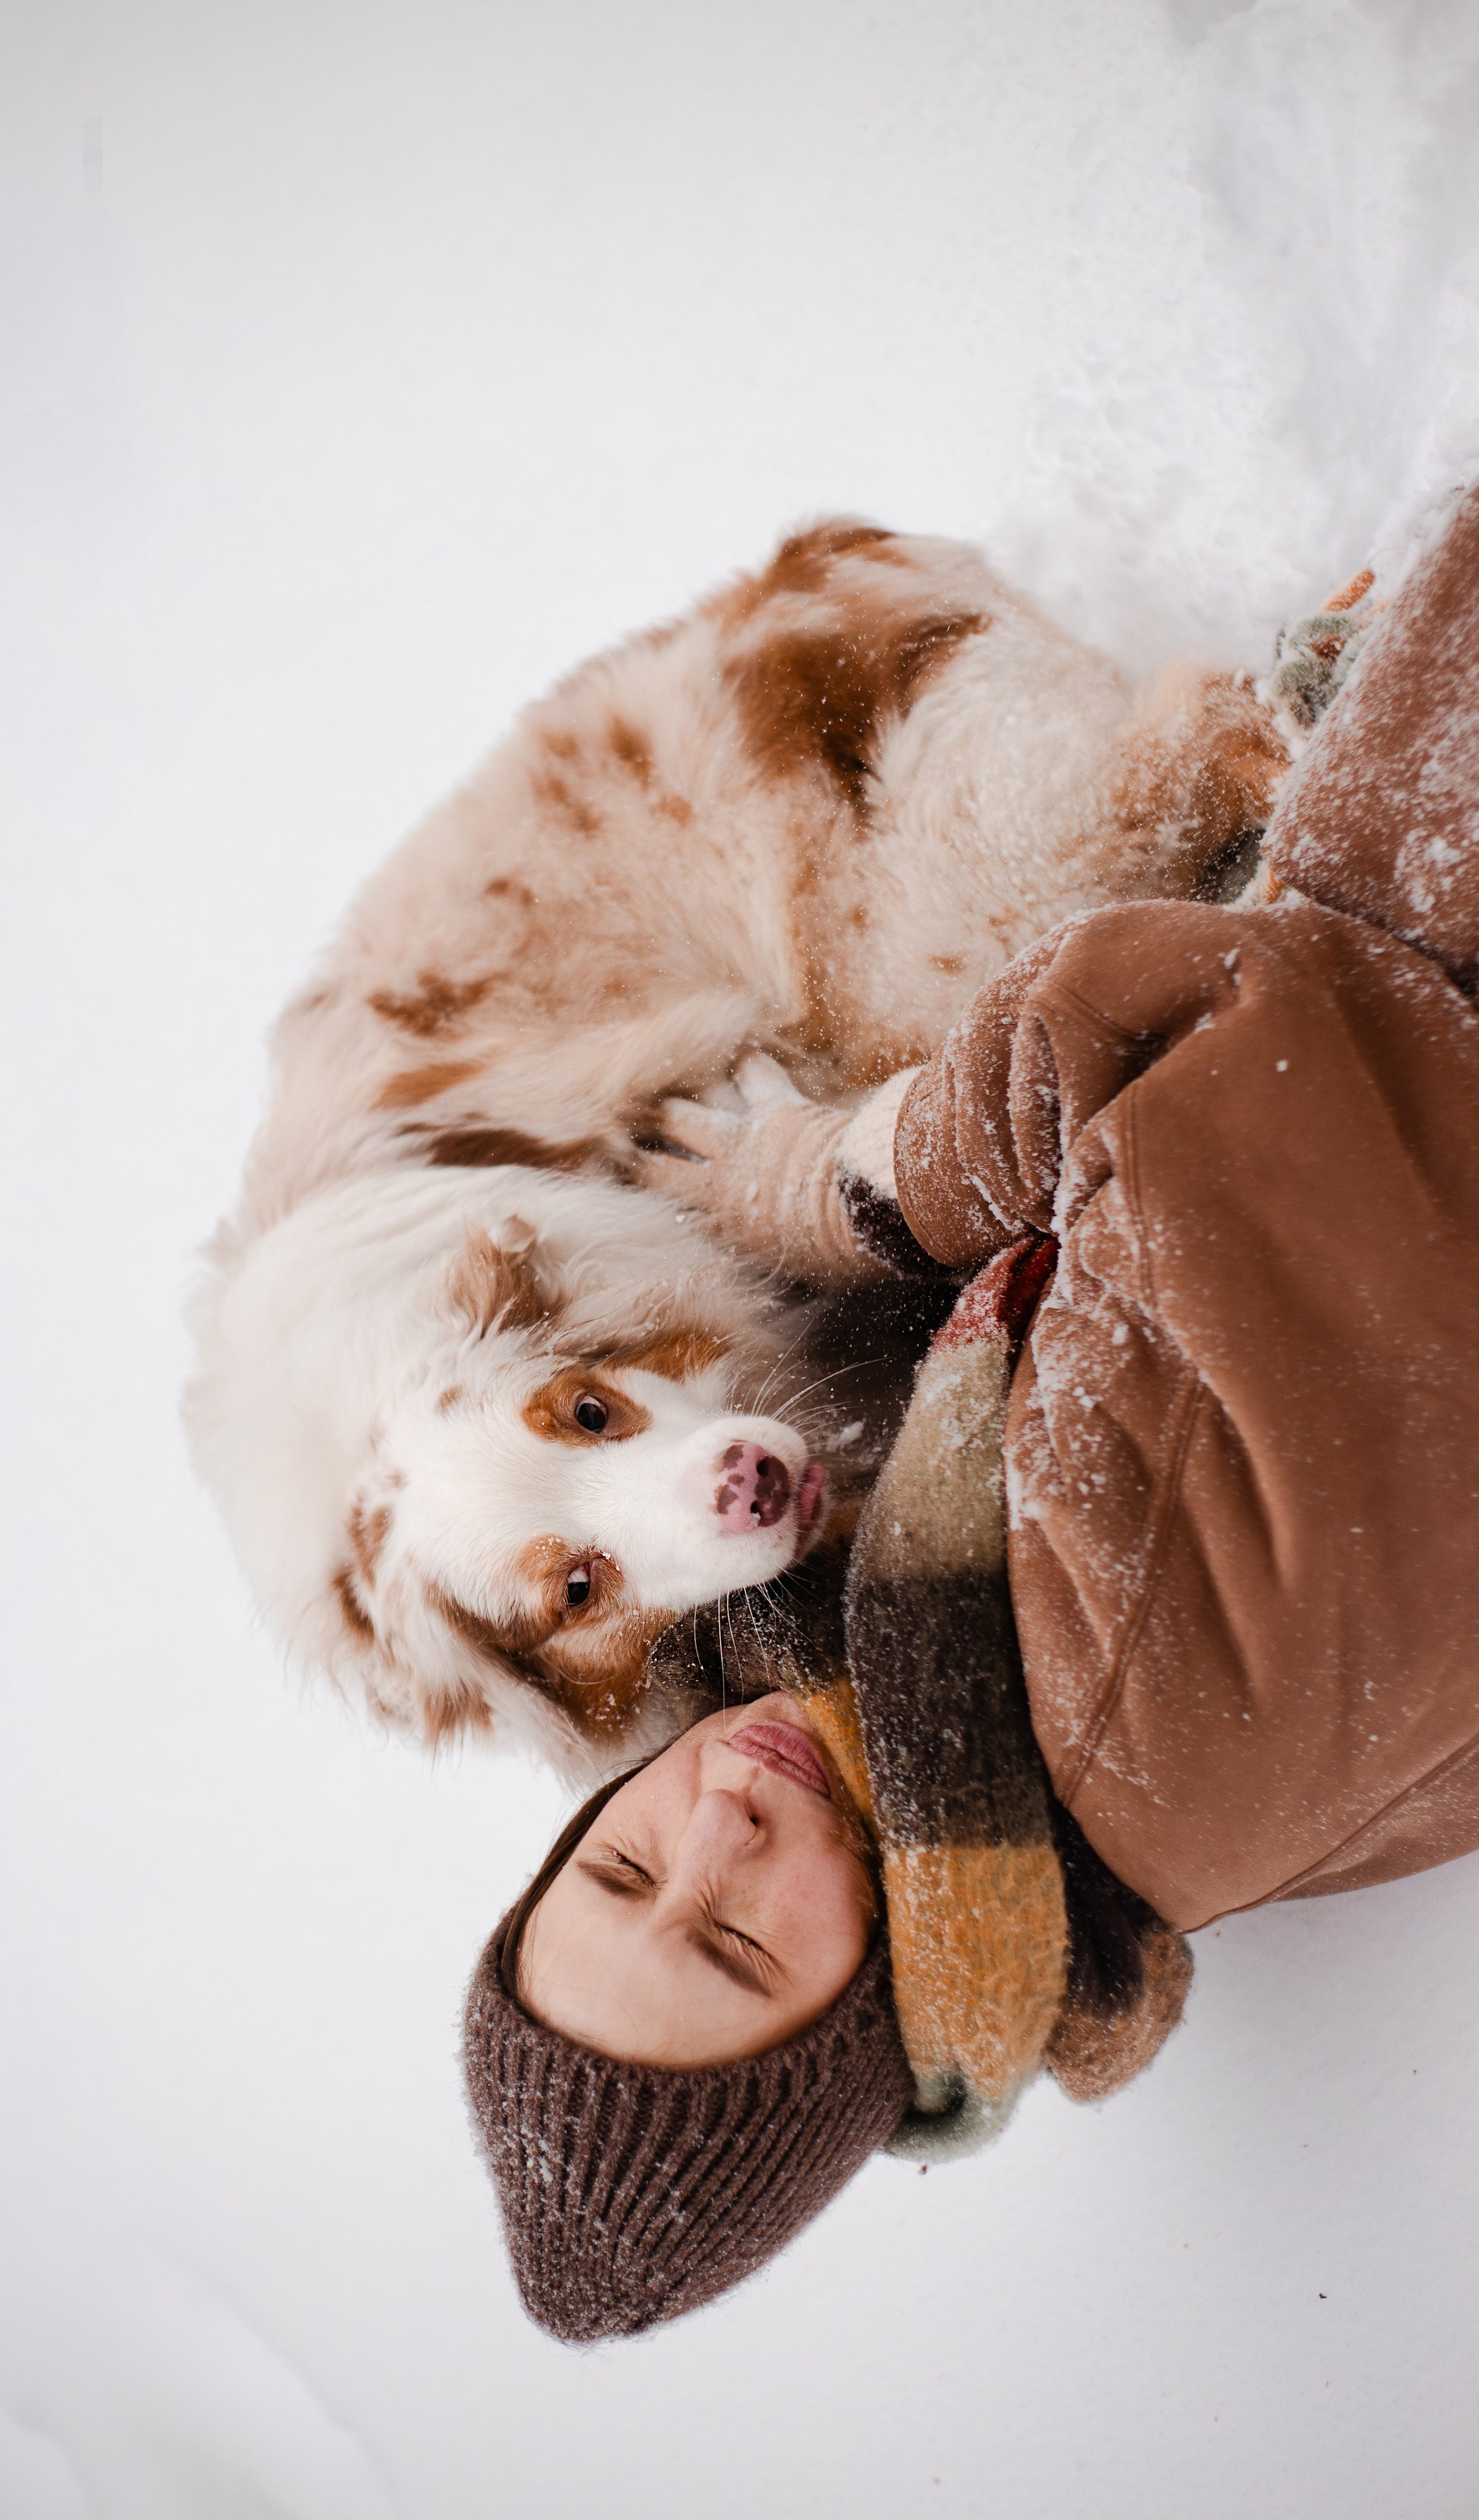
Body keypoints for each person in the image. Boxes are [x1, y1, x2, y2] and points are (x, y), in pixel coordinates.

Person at [463, 482, 1479, 2343]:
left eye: (620, 1865)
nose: (711, 1832)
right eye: (732, 1940)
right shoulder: (1115, 1701)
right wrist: (845, 1178)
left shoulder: (1003, 1770)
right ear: (856, 2025)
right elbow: (1251, 1039)